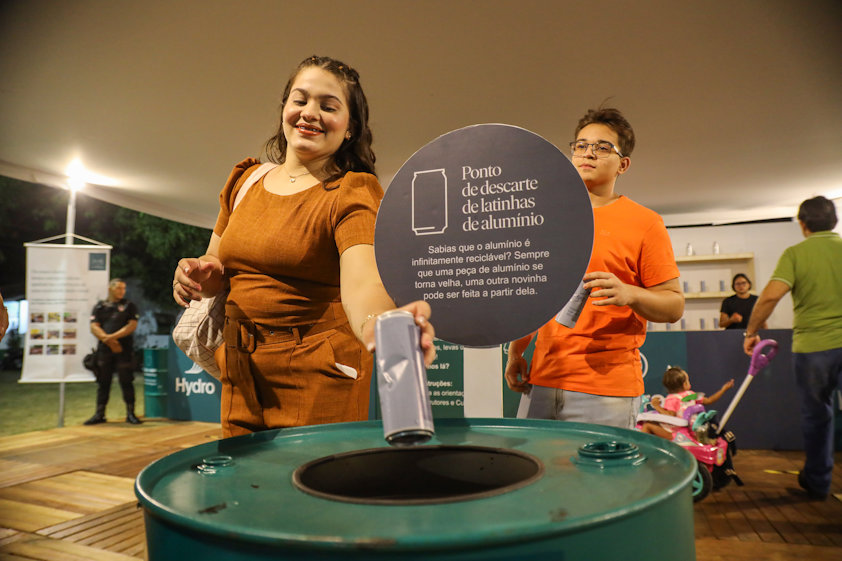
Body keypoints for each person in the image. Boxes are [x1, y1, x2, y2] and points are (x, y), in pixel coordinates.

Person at [172, 55, 435, 438]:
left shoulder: (352, 191)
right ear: (284, 109)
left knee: (312, 492)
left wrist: (380, 325)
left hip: (317, 375)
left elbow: (364, 285)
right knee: (247, 491)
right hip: (239, 370)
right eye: (300, 100)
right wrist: (199, 274)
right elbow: (218, 263)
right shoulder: (245, 181)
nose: (310, 113)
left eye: (328, 106)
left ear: (349, 129)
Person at [505, 107, 684, 429]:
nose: (588, 153)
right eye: (581, 145)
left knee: (600, 478)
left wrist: (630, 293)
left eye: (602, 147)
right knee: (539, 477)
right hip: (541, 379)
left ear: (623, 165)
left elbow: (673, 306)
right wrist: (516, 352)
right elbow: (532, 293)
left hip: (607, 389)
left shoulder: (645, 223)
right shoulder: (544, 217)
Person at [743, 196, 842, 500]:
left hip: (814, 347)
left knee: (817, 415)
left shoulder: (796, 254)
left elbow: (771, 296)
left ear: (803, 224)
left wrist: (751, 331)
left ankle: (818, 482)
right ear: (834, 221)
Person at [85, 278, 141, 425]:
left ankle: (131, 414)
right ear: (110, 289)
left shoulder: (129, 306)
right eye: (119, 288)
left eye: (124, 288)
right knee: (103, 382)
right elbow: (94, 327)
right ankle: (99, 414)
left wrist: (112, 337)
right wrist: (108, 340)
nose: (122, 291)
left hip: (124, 349)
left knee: (126, 381)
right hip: (105, 350)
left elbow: (132, 325)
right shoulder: (100, 307)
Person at [639, 366, 734, 440]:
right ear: (685, 384)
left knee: (647, 425)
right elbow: (709, 400)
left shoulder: (671, 399)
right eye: (688, 380)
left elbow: (670, 416)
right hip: (691, 429)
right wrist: (723, 389)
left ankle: (640, 449)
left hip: (676, 432)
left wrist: (656, 406)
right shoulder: (691, 395)